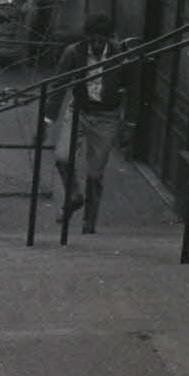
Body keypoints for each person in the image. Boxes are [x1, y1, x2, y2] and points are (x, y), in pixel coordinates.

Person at [51, 14, 127, 234]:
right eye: (91, 40)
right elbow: (58, 84)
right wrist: (47, 120)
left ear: (108, 38)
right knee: (62, 157)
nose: (95, 45)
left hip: (106, 117)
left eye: (100, 41)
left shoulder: (120, 55)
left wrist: (128, 124)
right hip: (79, 111)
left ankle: (88, 223)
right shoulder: (74, 52)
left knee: (95, 173)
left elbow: (133, 86)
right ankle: (73, 195)